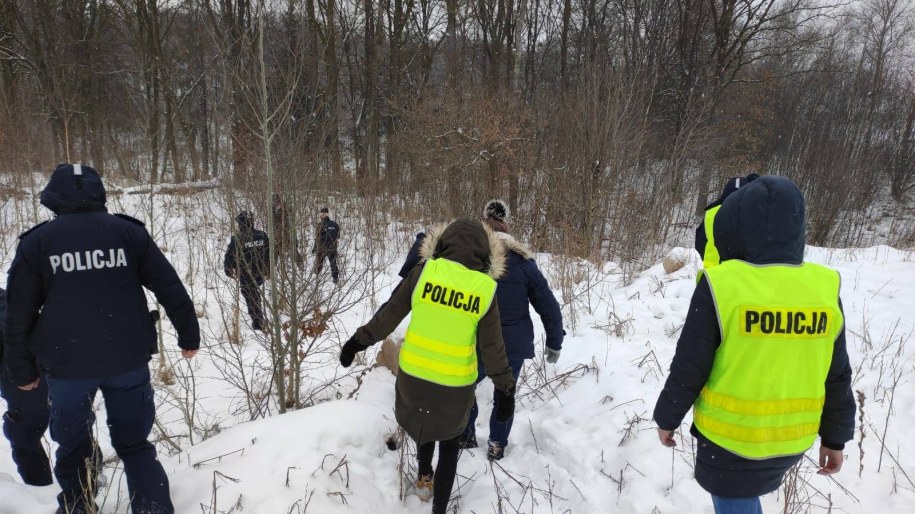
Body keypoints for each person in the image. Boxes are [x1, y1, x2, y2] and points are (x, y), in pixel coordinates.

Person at [4, 163, 201, 514]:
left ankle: (79, 506)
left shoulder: (38, 242)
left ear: (54, 196)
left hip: (67, 367)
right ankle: (152, 507)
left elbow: (18, 314)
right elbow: (169, 286)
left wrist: (22, 371)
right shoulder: (128, 233)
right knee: (135, 443)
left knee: (72, 444)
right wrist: (188, 333)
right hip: (126, 358)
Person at [653, 176, 855, 514]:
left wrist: (666, 417)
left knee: (735, 501)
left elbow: (690, 366)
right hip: (793, 441)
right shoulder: (824, 287)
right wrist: (835, 438)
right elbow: (837, 374)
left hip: (729, 441)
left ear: (734, 227)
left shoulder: (722, 286)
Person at [339, 218, 515, 514]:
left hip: (414, 377)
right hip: (456, 385)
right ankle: (439, 510)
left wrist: (358, 342)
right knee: (449, 444)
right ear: (485, 254)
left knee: (423, 427)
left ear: (442, 243)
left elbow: (388, 315)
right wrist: (505, 389)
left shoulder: (423, 273)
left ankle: (424, 479)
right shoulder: (485, 290)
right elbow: (492, 347)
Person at [460, 200, 565, 460]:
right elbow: (548, 304)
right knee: (504, 393)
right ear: (508, 229)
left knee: (464, 388)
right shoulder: (524, 264)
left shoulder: (472, 260)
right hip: (513, 346)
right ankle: (497, 443)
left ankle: (465, 436)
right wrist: (555, 340)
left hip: (478, 341)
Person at [0, 287, 52, 487]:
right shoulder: (14, 298)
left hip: (26, 382)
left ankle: (39, 490)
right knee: (76, 426)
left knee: (23, 435)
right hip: (59, 374)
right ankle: (89, 480)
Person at [695, 173, 759, 271]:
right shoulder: (755, 214)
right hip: (745, 275)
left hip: (713, 274)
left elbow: (700, 244)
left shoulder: (711, 213)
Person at [224, 211, 271, 332]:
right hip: (260, 271)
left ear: (241, 223)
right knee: (254, 292)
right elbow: (271, 253)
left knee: (250, 293)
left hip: (246, 273)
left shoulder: (238, 238)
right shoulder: (262, 235)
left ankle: (258, 321)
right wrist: (268, 268)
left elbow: (229, 255)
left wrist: (229, 269)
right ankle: (258, 318)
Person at [271, 193, 303, 266]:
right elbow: (273, 220)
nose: (275, 203)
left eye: (277, 201)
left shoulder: (285, 208)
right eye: (274, 202)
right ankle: (272, 269)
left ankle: (300, 266)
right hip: (278, 235)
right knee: (276, 252)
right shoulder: (273, 209)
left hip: (288, 234)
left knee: (293, 250)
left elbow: (288, 218)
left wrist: (281, 209)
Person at [313, 207, 340, 284]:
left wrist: (315, 247)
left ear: (324, 214)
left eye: (321, 214)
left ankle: (316, 278)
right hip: (332, 247)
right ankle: (335, 279)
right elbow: (338, 236)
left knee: (319, 263)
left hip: (321, 248)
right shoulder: (335, 224)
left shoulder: (319, 225)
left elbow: (317, 238)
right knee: (333, 263)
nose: (320, 215)